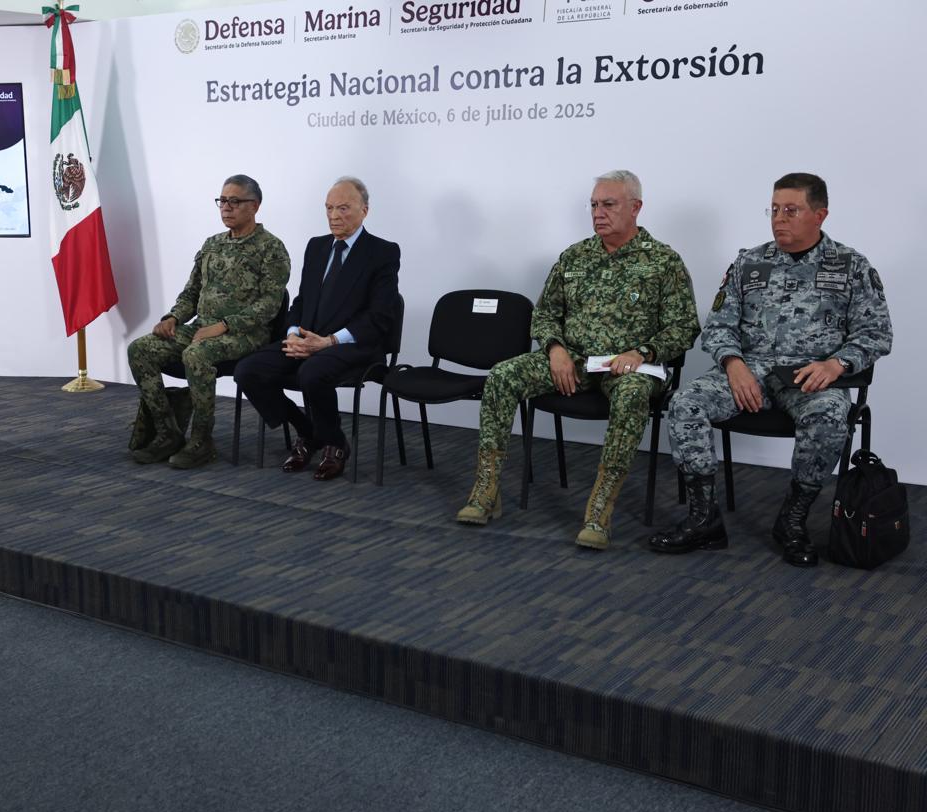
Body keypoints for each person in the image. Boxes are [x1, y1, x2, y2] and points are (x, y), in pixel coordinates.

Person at [650, 173, 893, 566]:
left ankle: (792, 520)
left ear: (820, 215)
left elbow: (876, 333)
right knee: (684, 403)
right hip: (749, 372)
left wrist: (837, 363)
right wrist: (732, 363)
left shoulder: (851, 266)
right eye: (775, 209)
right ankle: (704, 518)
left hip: (811, 377)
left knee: (830, 417)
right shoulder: (750, 262)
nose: (779, 218)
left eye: (791, 210)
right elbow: (719, 325)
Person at [456, 170, 700, 549]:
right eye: (594, 205)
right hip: (573, 360)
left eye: (608, 204)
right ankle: (486, 489)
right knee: (503, 375)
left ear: (635, 207)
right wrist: (554, 349)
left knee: (632, 393)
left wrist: (643, 352)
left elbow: (684, 326)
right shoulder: (575, 256)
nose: (598, 213)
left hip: (630, 367)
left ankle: (600, 510)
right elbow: (544, 314)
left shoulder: (663, 262)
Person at [234, 177, 401, 481]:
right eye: (329, 208)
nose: (334, 216)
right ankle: (308, 431)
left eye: (343, 208)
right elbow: (301, 300)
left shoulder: (383, 252)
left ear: (364, 210)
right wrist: (293, 333)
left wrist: (329, 342)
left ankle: (335, 443)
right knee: (248, 370)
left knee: (312, 372)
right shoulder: (317, 246)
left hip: (353, 345)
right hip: (307, 339)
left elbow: (379, 316)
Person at [126, 175, 290, 468]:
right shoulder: (212, 244)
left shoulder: (271, 248)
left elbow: (270, 305)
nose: (226, 207)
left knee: (196, 354)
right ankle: (167, 432)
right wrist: (173, 317)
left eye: (234, 201)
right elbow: (192, 292)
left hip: (246, 334)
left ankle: (201, 441)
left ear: (254, 206)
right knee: (141, 349)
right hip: (202, 328)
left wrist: (224, 325)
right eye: (222, 201)